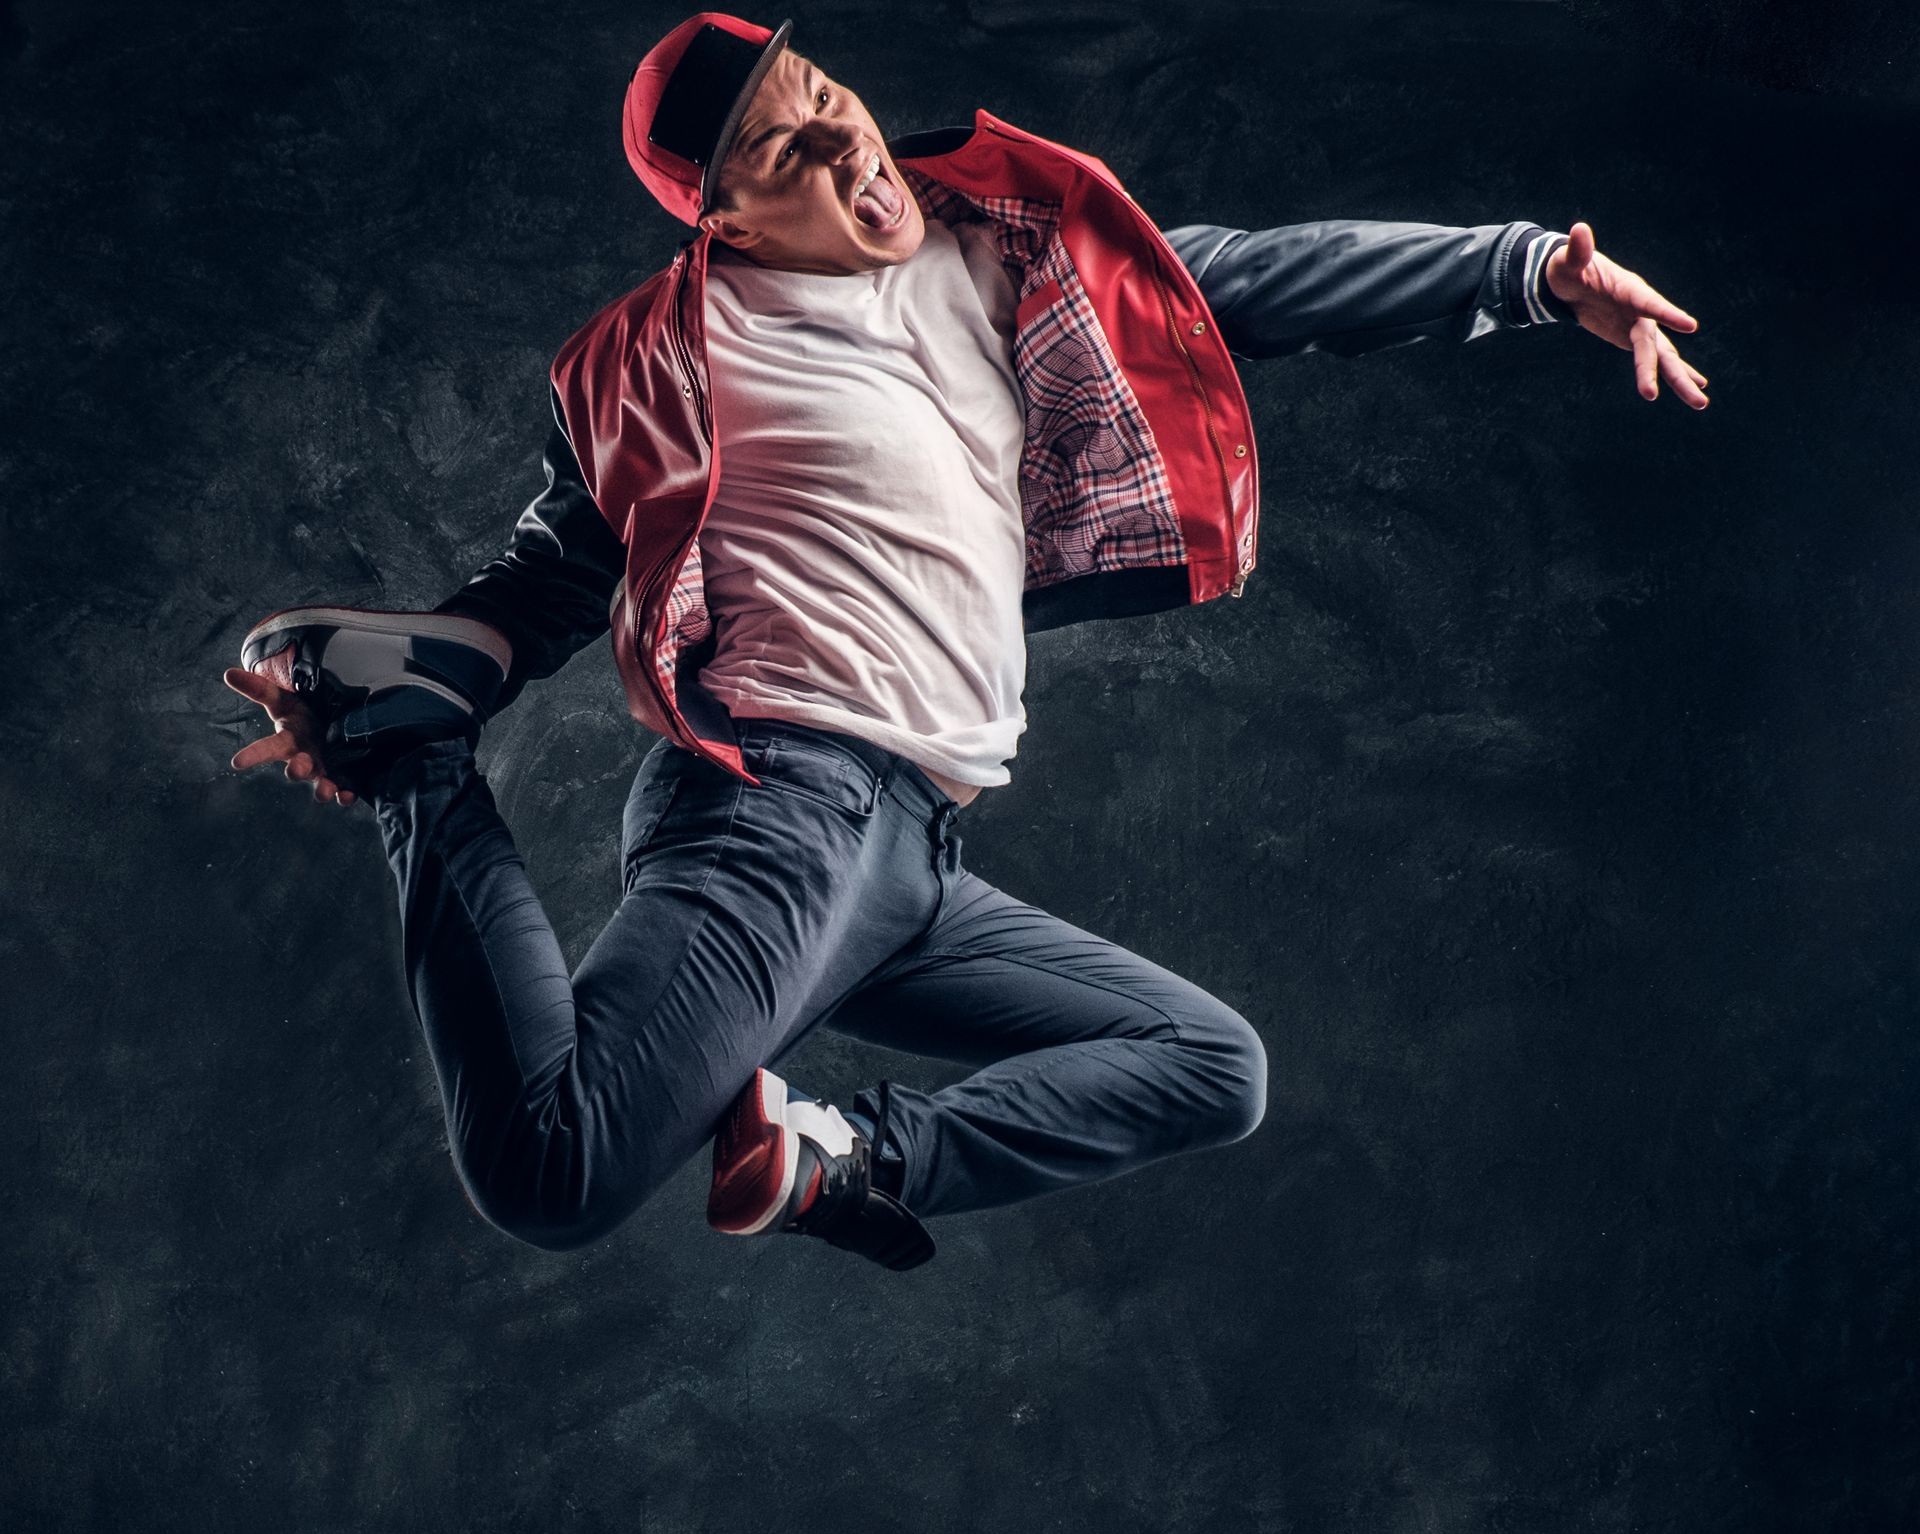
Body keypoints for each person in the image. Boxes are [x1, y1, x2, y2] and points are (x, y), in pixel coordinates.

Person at [223, 12, 1706, 1273]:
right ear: (723, 220)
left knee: (1207, 1065)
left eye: (826, 103)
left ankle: (843, 1158)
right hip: (779, 818)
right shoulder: (683, 350)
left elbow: (1244, 279)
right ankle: (422, 775)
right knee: (553, 1167)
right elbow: (557, 568)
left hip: (911, 857)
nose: (836, 146)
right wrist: (419, 691)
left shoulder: (1005, 264)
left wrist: (1526, 272)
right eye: (779, 154)